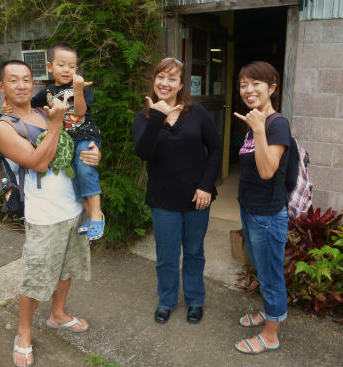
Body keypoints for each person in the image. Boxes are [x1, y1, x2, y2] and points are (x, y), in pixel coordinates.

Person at [0, 60, 101, 367]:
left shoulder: (43, 110)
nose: (22, 85)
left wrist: (95, 153)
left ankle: (58, 314)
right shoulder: (4, 128)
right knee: (36, 278)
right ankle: (23, 333)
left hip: (72, 206)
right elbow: (38, 162)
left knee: (67, 268)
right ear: (2, 86)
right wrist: (55, 123)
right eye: (14, 80)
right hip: (43, 215)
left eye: (27, 79)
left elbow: (78, 138)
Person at [132, 57, 222, 324]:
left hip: (198, 199)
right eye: (161, 77)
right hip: (163, 200)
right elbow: (143, 152)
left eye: (172, 78)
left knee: (194, 252)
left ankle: (195, 300)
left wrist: (207, 185)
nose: (165, 83)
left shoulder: (197, 113)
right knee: (166, 255)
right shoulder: (145, 116)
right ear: (155, 80)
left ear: (181, 84)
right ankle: (167, 300)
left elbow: (216, 149)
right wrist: (157, 116)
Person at [3, 42, 104, 240]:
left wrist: (79, 90)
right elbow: (29, 105)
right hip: (67, 142)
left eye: (71, 66)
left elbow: (81, 111)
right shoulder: (47, 93)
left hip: (85, 137)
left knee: (84, 170)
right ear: (50, 67)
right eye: (61, 65)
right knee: (74, 179)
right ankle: (91, 217)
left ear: (76, 69)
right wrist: (8, 107)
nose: (66, 70)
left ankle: (97, 215)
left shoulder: (80, 88)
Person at [233, 61, 290, 354]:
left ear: (272, 88)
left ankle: (270, 335)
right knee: (261, 268)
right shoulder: (255, 120)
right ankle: (269, 314)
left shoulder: (275, 123)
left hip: (268, 215)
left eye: (256, 83)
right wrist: (254, 126)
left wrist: (257, 129)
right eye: (243, 84)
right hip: (251, 210)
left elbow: (268, 171)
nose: (248, 89)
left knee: (270, 275)